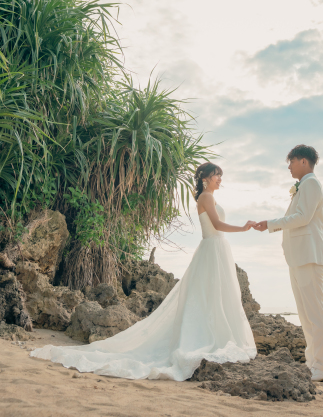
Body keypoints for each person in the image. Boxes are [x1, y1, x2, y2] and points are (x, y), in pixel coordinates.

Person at [30, 162, 257, 381]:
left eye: (221, 176)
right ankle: (207, 337)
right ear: (206, 178)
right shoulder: (205, 197)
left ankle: (213, 335)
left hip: (216, 250)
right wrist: (243, 228)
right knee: (211, 295)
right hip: (213, 248)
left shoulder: (210, 197)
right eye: (217, 175)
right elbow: (216, 225)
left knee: (215, 296)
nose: (220, 179)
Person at [253, 144, 323, 382]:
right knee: (306, 314)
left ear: (303, 162)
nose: (288, 166)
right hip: (299, 257)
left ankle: (321, 367)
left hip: (309, 256)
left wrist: (270, 223)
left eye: (291, 161)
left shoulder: (310, 183)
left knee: (315, 314)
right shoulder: (305, 186)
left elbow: (303, 217)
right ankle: (313, 364)